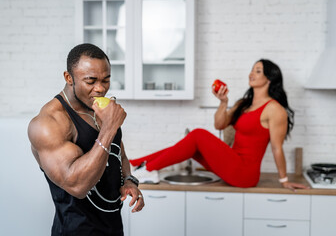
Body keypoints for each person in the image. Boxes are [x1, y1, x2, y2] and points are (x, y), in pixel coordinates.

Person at [130, 59, 309, 190]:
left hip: (245, 173)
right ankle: (137, 165)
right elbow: (219, 125)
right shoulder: (243, 103)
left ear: (269, 78)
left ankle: (147, 168)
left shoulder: (274, 109)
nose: (251, 74)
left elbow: (277, 148)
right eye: (252, 69)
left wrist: (284, 180)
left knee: (198, 134)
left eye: (258, 71)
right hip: (232, 161)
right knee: (191, 146)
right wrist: (223, 102)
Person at [28, 43, 144, 236]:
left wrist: (130, 181)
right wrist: (109, 128)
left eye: (106, 80)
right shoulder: (49, 123)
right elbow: (77, 186)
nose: (100, 89)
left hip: (114, 229)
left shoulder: (101, 108)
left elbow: (118, 153)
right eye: (91, 81)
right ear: (68, 78)